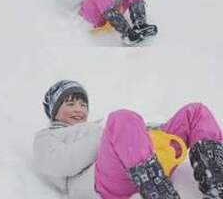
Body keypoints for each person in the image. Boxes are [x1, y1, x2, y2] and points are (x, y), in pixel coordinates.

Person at [33, 80, 223, 199]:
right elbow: (61, 164)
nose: (79, 109)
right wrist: (107, 131)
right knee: (121, 118)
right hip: (102, 182)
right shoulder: (47, 137)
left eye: (83, 104)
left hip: (141, 157)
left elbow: (128, 131)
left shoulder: (97, 126)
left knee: (195, 112)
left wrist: (145, 130)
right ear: (54, 111)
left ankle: (216, 178)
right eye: (71, 103)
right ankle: (158, 191)